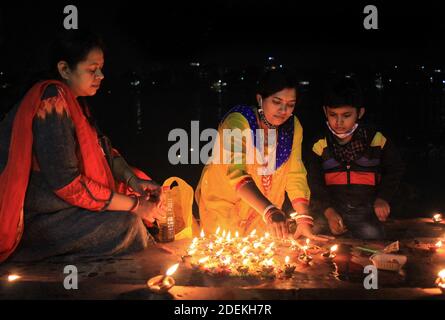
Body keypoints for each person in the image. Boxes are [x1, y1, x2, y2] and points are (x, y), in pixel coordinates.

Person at [0, 30, 164, 262]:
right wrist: (136, 205)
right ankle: (32, 253)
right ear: (65, 69)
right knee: (126, 225)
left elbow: (106, 152)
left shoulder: (77, 104)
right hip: (38, 218)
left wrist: (133, 181)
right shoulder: (52, 102)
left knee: (131, 205)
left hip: (67, 209)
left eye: (101, 68)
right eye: (92, 69)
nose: (100, 75)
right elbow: (67, 183)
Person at [195, 69, 330, 241]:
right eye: (276, 102)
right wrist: (270, 211)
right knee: (225, 259)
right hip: (225, 206)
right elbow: (237, 174)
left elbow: (295, 174)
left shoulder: (293, 127)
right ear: (260, 99)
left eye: (290, 104)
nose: (283, 110)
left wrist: (303, 218)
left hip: (264, 211)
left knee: (261, 261)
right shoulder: (237, 123)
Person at [307, 77, 404, 240]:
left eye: (346, 115)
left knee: (373, 237)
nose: (339, 122)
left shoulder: (376, 140)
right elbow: (314, 182)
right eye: (333, 115)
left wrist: (382, 198)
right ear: (325, 112)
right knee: (316, 235)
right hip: (332, 210)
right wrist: (329, 211)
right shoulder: (320, 145)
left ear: (360, 113)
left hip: (366, 212)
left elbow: (395, 169)